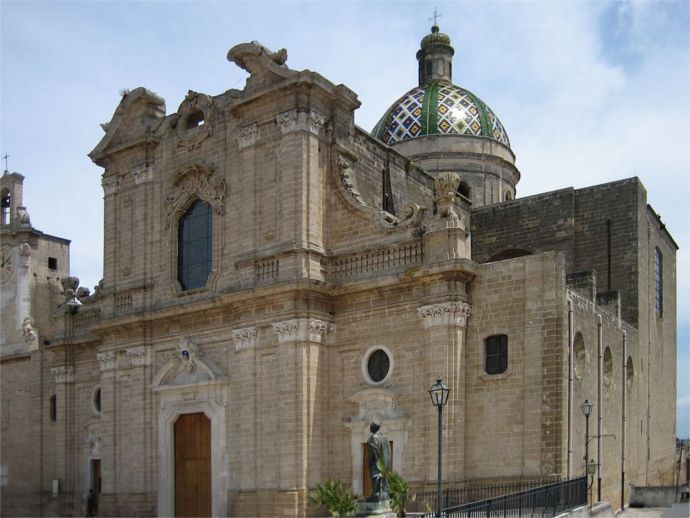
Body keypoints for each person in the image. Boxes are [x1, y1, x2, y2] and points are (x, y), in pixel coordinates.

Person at [367, 422, 392, 502]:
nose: (369, 428)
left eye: (371, 427)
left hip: (376, 462)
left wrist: (370, 461)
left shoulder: (373, 437)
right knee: (381, 477)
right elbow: (388, 451)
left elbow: (373, 450)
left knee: (375, 477)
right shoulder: (384, 438)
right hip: (384, 463)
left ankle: (376, 493)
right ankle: (380, 493)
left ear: (374, 428)